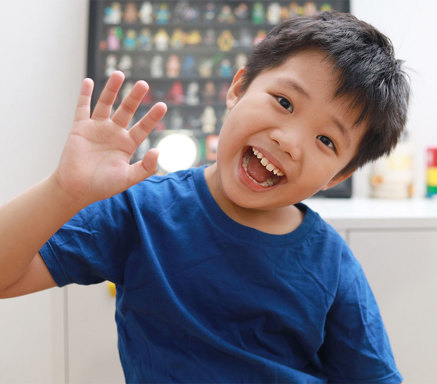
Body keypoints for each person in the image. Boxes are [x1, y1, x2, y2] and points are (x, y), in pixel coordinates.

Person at [0, 11, 409, 383]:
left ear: (339, 174)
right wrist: (63, 192)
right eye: (284, 102)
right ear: (238, 88)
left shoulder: (332, 263)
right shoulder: (140, 210)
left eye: (325, 140)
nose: (289, 141)